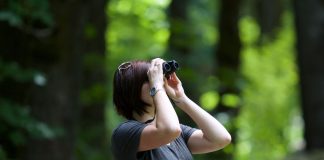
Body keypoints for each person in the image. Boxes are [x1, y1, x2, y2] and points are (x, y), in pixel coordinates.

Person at [111, 58, 231, 160]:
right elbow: (170, 130)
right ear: (132, 89)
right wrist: (157, 86)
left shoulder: (179, 134)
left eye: (160, 78)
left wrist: (181, 98)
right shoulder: (125, 133)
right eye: (150, 79)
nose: (160, 82)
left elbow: (221, 139)